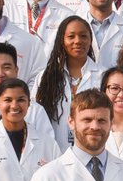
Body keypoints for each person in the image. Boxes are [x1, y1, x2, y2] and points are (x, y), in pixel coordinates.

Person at [34, 16, 104, 151]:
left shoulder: (103, 76)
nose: (78, 41)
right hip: (53, 152)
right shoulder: (45, 78)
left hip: (93, 151)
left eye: (83, 36)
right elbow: (35, 116)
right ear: (62, 40)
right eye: (71, 37)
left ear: (90, 40)